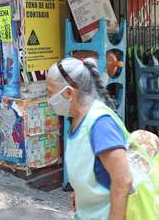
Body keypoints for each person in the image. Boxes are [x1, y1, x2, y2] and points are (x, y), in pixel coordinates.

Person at [47, 57, 131, 220]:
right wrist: (81, 194)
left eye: (50, 92)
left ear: (69, 93)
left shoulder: (100, 124)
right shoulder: (78, 120)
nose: (49, 99)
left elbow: (123, 182)